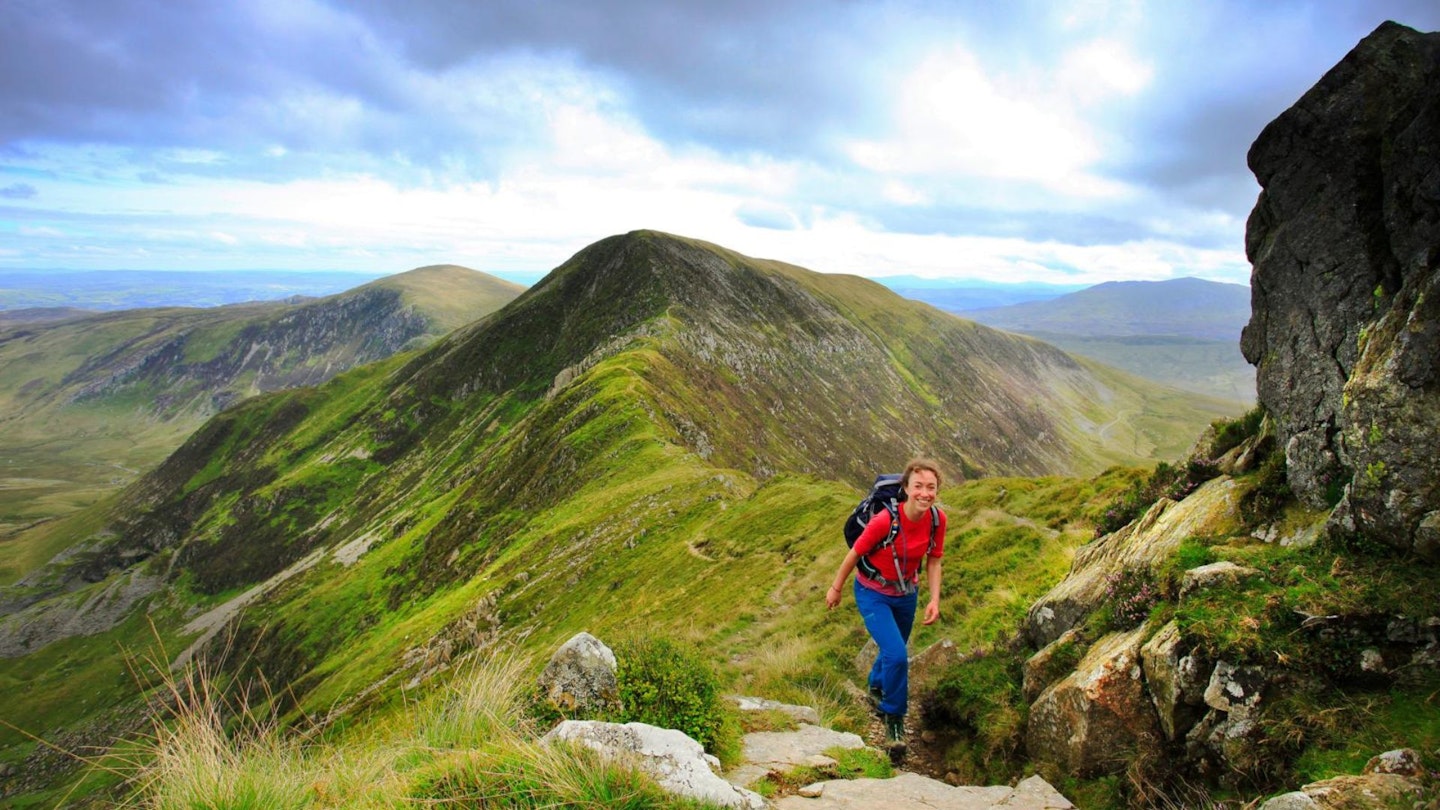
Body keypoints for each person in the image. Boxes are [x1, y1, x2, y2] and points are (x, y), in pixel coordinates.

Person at [825, 458, 948, 761]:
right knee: (897, 654)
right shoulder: (885, 520)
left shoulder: (937, 520)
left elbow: (934, 560)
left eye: (930, 487)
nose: (924, 493)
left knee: (895, 648)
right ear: (905, 488)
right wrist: (836, 588)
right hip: (872, 593)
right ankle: (894, 720)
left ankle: (876, 686)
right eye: (918, 486)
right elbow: (855, 553)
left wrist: (934, 599)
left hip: (906, 594)